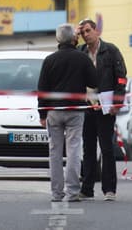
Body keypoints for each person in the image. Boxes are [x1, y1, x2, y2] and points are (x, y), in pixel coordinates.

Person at [37, 23, 98, 203]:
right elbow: (94, 81)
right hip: (75, 110)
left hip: (54, 111)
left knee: (54, 152)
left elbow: (42, 90)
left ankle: (56, 193)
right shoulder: (82, 58)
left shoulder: (49, 60)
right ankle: (72, 192)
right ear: (74, 38)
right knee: (73, 151)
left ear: (57, 39)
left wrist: (42, 113)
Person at [76, 18, 127, 202]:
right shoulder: (80, 51)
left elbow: (121, 78)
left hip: (106, 107)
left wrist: (117, 102)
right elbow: (67, 53)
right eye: (82, 33)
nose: (85, 35)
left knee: (107, 148)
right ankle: (87, 188)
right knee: (87, 148)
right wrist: (74, 35)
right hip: (87, 106)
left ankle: (109, 189)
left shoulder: (110, 51)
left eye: (88, 31)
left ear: (97, 31)